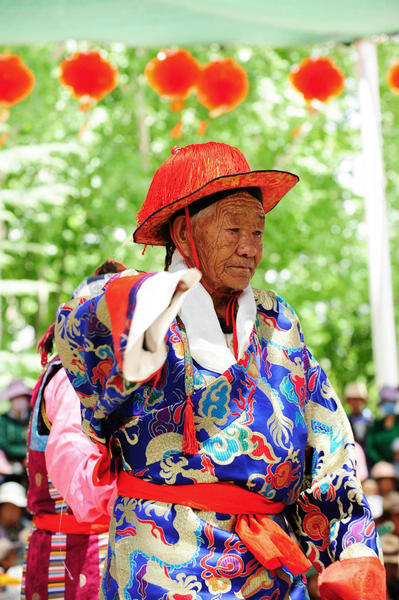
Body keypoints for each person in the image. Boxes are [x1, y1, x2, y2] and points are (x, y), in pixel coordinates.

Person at [55, 142, 385, 599]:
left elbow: (325, 438)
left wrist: (352, 551)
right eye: (233, 229)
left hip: (271, 562)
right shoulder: (146, 307)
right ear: (184, 233)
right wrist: (158, 295)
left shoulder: (277, 319)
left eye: (258, 231)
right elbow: (79, 332)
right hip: (162, 563)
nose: (251, 248)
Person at [21, 262, 122, 600]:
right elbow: (72, 459)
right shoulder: (71, 376)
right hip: (77, 553)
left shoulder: (79, 372)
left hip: (72, 545)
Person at [0, 379, 31, 463]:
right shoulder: (3, 420)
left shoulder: (33, 416)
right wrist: (26, 452)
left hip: (33, 461)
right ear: (11, 400)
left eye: (22, 397)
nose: (20, 400)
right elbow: (4, 445)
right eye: (17, 397)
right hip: (11, 463)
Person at [367, 385, 399, 465]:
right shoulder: (376, 425)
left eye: (391, 402)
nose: (388, 404)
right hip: (381, 468)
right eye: (386, 402)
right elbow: (371, 448)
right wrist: (380, 462)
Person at [343, 381, 373, 447]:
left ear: (364, 401)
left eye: (358, 399)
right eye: (353, 399)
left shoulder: (371, 420)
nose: (356, 403)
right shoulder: (346, 422)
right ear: (348, 401)